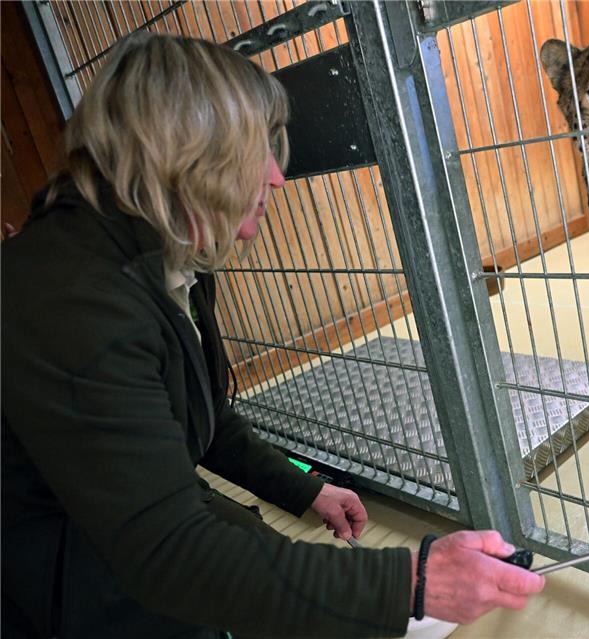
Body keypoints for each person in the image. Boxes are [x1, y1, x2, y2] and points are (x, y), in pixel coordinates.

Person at [1, 32, 544, 639]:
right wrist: (410, 584)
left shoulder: (165, 253)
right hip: (62, 587)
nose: (277, 176)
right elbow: (170, 556)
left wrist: (304, 489)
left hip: (119, 539)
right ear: (189, 153)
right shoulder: (75, 302)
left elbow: (195, 415)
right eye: (256, 149)